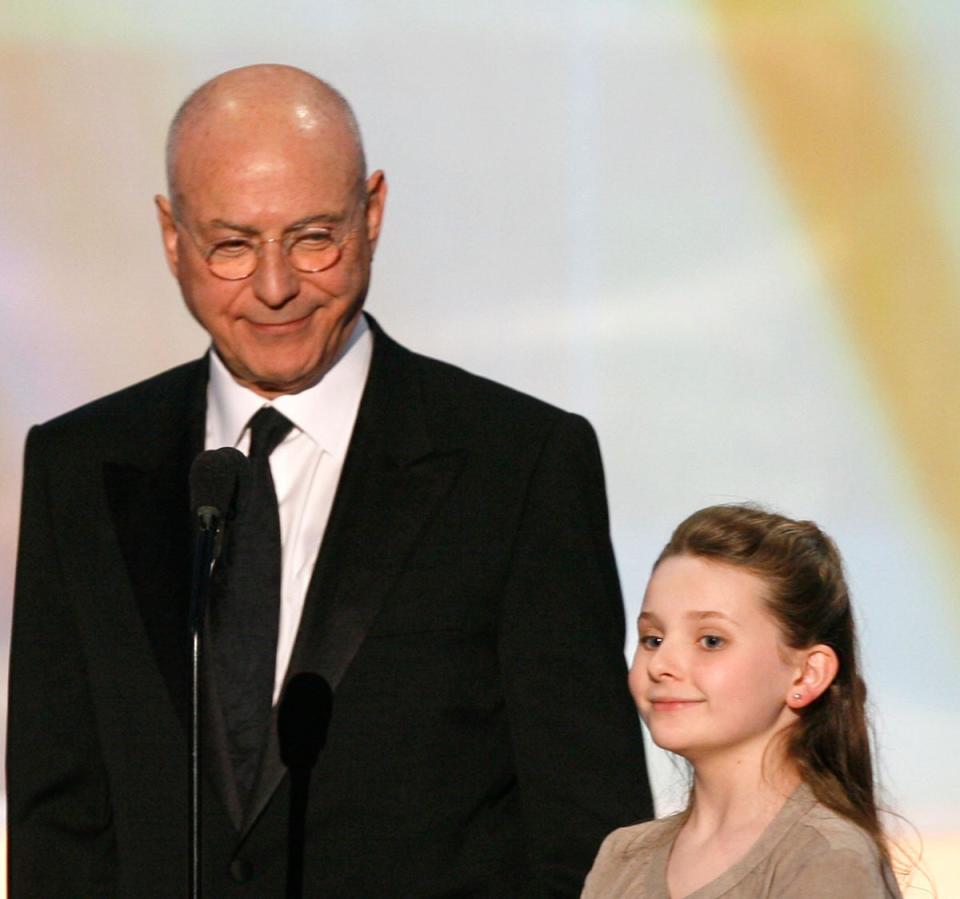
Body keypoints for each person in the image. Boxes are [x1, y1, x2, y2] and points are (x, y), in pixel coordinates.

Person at [7, 64, 652, 897]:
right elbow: (58, 824)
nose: (276, 288)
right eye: (232, 246)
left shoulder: (519, 463)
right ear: (172, 236)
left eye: (314, 238)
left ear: (373, 213)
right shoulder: (79, 467)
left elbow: (590, 838)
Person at [582, 504, 902, 898]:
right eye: (653, 639)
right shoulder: (623, 856)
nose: (662, 664)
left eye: (711, 640)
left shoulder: (825, 859)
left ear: (807, 674)